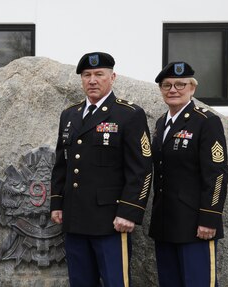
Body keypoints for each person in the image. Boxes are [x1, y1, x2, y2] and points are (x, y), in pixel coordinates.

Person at [50, 52, 153, 286]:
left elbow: (142, 169)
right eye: (87, 75)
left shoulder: (129, 114)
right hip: (75, 217)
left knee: (115, 281)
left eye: (99, 74)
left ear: (113, 77)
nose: (92, 80)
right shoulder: (70, 114)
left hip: (111, 220)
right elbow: (62, 163)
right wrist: (57, 203)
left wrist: (130, 211)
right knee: (80, 281)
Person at [149, 61, 228, 286]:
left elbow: (217, 174)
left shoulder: (206, 122)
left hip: (196, 225)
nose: (173, 90)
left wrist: (210, 218)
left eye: (180, 84)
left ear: (192, 88)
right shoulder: (162, 123)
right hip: (165, 223)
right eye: (167, 85)